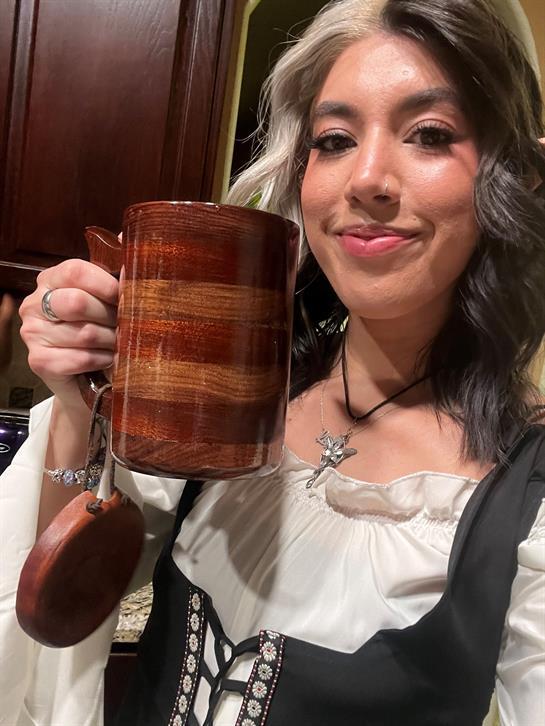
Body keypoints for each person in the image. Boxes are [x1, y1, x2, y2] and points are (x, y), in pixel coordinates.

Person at [1, 0, 545, 724]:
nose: (366, 178)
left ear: (513, 174)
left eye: (430, 134)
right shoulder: (237, 400)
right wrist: (78, 406)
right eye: (334, 139)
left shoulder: (526, 495)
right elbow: (64, 603)